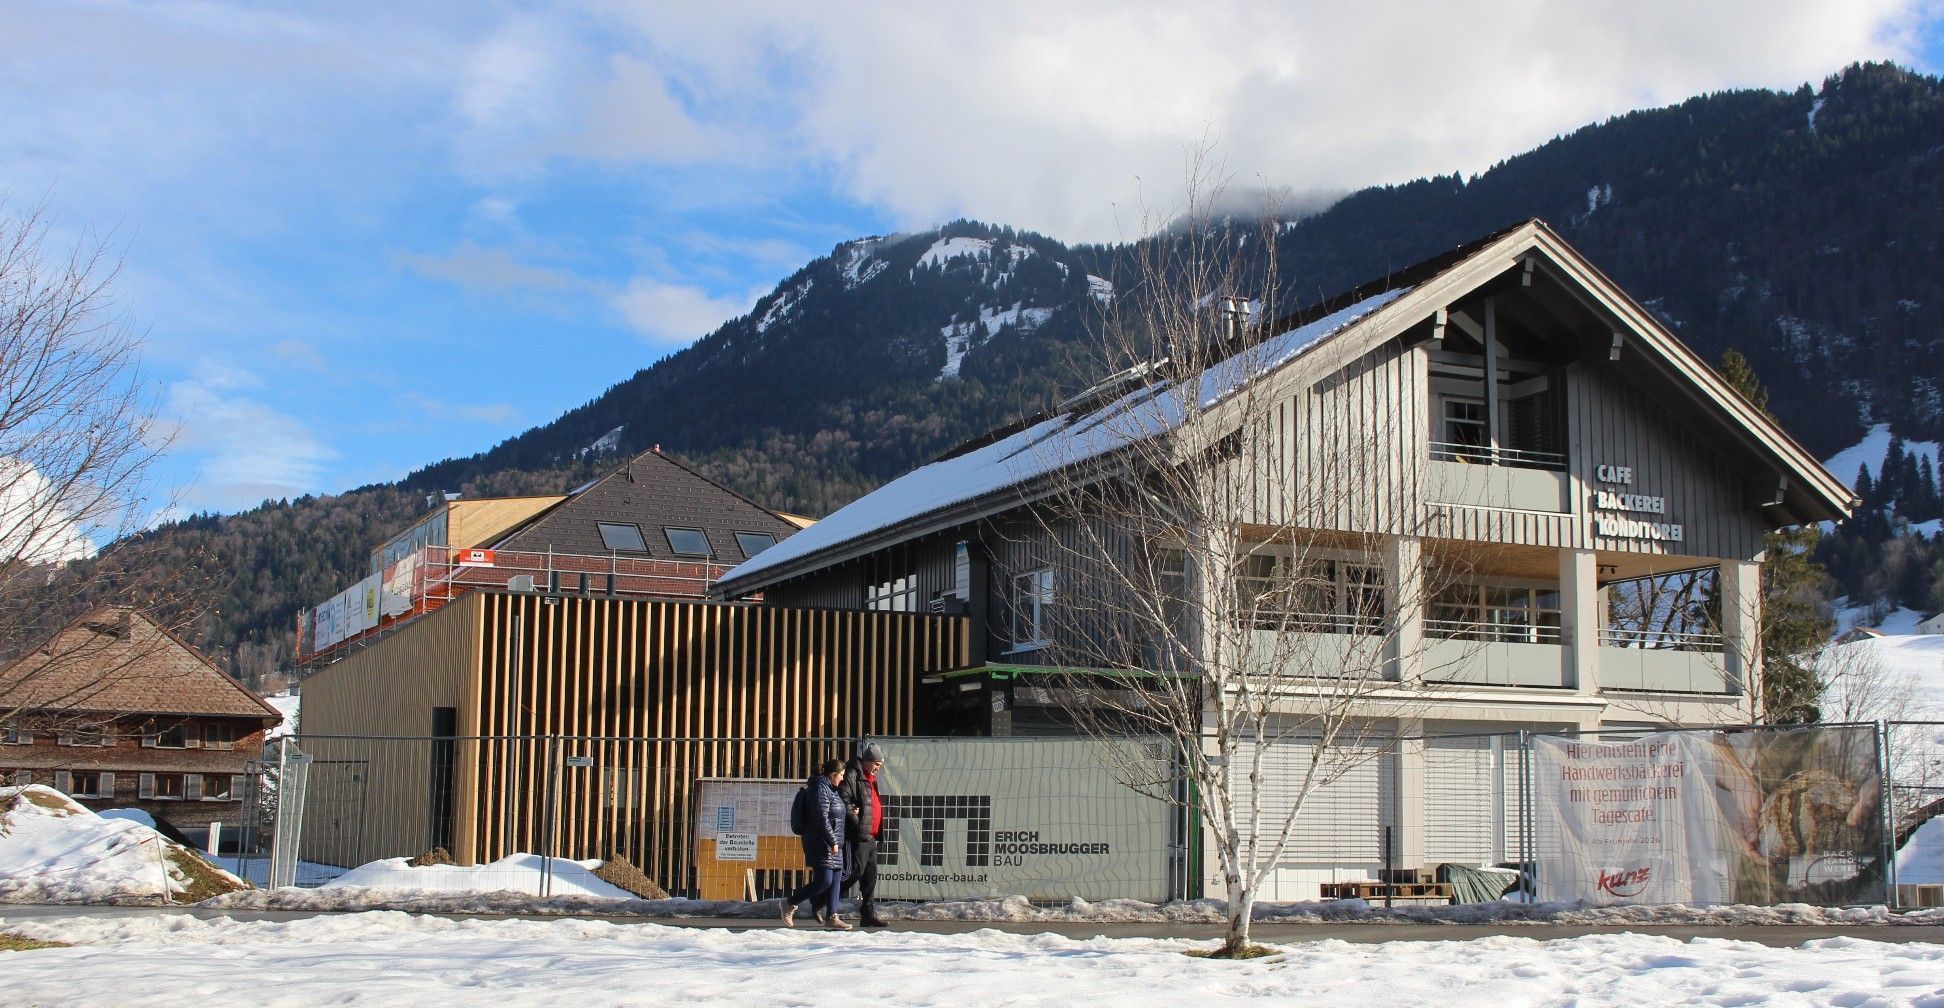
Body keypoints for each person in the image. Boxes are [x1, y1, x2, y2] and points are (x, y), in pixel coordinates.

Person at [782, 758, 850, 930]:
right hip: (821, 841)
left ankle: (832, 917)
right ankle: (789, 903)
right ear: (833, 774)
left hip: (834, 842)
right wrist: (832, 840)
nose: (842, 779)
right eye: (841, 775)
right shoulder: (820, 789)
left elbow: (834, 814)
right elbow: (821, 817)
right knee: (824, 881)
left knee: (836, 880)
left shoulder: (832, 789)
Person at [840, 744, 889, 927]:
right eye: (877, 764)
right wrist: (856, 820)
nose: (878, 768)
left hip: (871, 836)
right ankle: (822, 899)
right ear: (868, 761)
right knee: (854, 872)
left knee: (870, 876)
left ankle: (868, 913)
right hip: (859, 834)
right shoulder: (853, 774)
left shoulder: (871, 778)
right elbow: (844, 798)